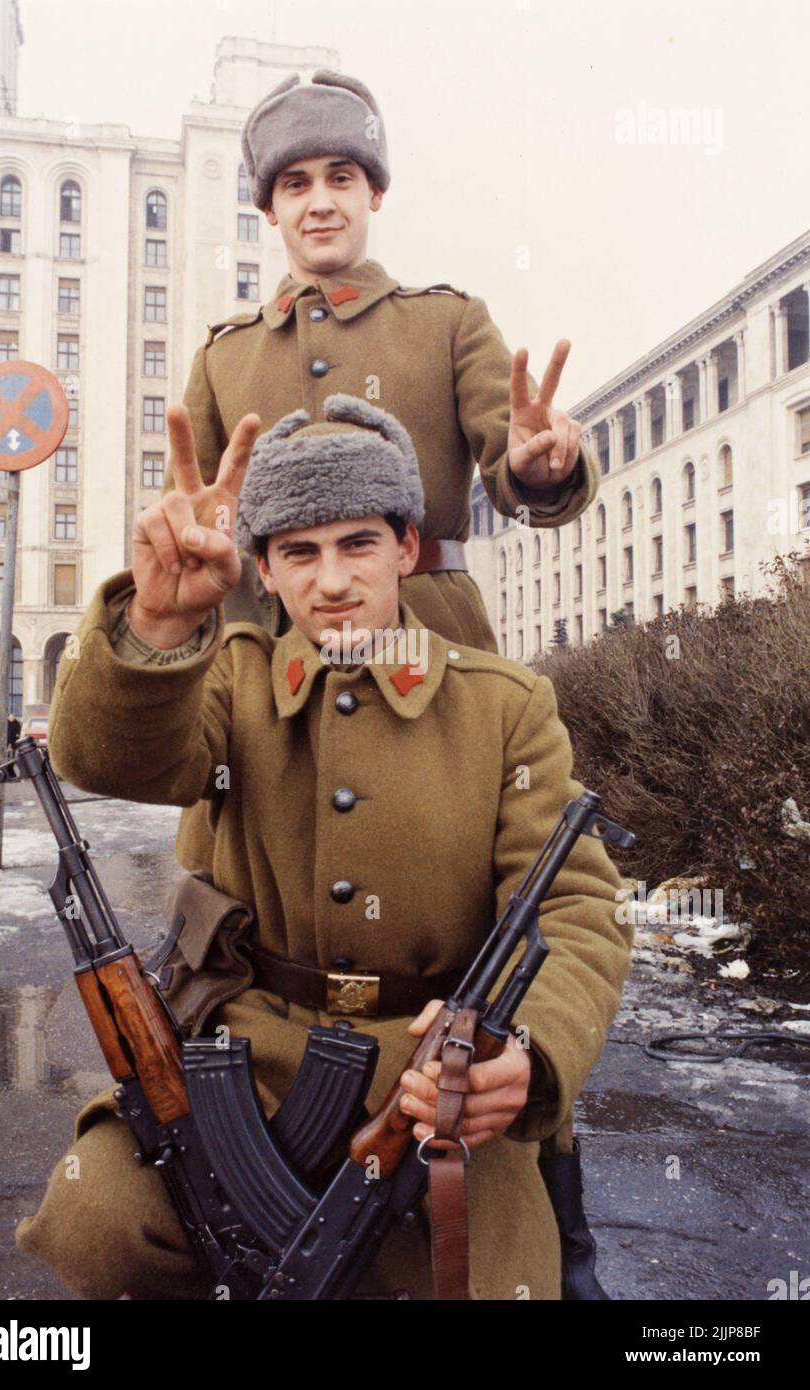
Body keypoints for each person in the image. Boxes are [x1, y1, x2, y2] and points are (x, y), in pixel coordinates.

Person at [14, 396, 632, 1300]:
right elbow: (102, 758)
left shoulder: (504, 707)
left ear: (407, 549)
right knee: (95, 1223)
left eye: (358, 543)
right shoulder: (231, 680)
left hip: (433, 1086)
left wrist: (530, 1060)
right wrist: (155, 623)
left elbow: (576, 905)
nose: (331, 580)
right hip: (245, 1067)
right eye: (298, 552)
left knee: (494, 1289)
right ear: (262, 570)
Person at [169, 67, 607, 1291]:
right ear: (269, 207)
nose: (320, 201)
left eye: (341, 178)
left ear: (372, 192)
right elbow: (195, 509)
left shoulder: (443, 321)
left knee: (489, 930)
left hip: (426, 644)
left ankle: (551, 1215)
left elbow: (515, 459)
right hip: (273, 667)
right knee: (255, 899)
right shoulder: (225, 356)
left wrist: (537, 465)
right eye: (295, 183)